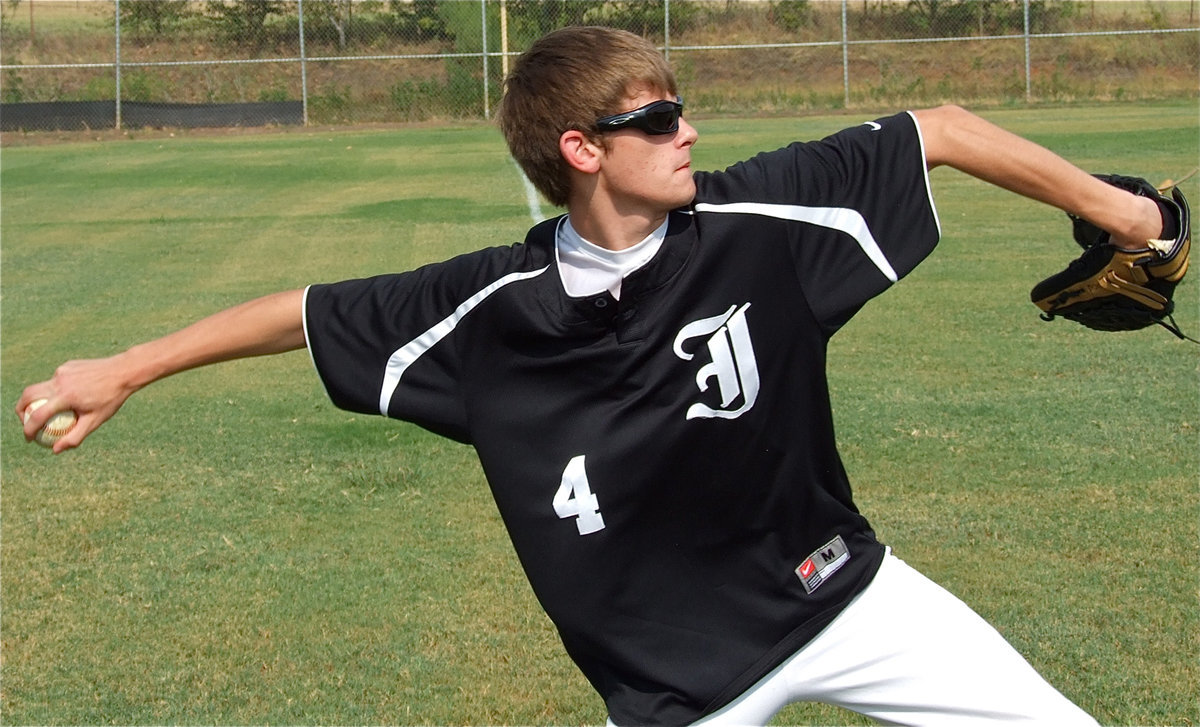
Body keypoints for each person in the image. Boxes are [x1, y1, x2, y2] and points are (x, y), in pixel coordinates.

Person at [18, 25, 1172, 727]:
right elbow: (303, 314)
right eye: (656, 117)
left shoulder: (758, 219)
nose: (687, 131)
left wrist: (1132, 219)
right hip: (671, 692)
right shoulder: (489, 313)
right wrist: (126, 365)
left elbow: (941, 128)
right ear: (581, 152)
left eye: (679, 107)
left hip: (844, 598)